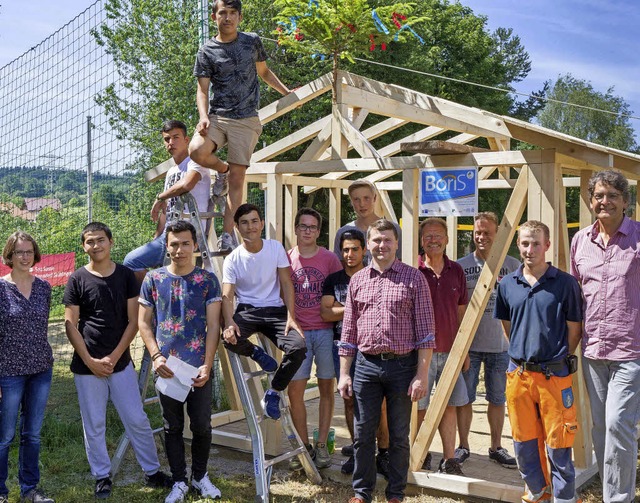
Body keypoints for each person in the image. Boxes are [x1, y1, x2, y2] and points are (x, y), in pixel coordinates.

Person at [64, 222, 170, 500]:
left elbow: (134, 321)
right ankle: (102, 476)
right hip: (87, 366)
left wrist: (114, 356)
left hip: (120, 362)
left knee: (136, 418)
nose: (95, 245)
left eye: (100, 240)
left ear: (110, 242)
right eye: (89, 241)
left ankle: (153, 471)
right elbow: (70, 324)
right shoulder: (77, 278)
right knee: (94, 424)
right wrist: (89, 360)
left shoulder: (125, 276)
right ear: (84, 246)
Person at [338, 219, 435, 503]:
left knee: (399, 435)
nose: (382, 246)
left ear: (396, 244)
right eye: (377, 240)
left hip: (402, 367)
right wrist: (345, 373)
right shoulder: (357, 280)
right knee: (362, 433)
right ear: (369, 244)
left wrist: (421, 374)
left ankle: (395, 494)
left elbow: (426, 334)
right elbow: (348, 332)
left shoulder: (414, 278)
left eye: (387, 240)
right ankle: (362, 493)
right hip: (366, 367)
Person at [189, 0, 291, 253]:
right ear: (214, 17)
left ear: (239, 17)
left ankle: (226, 235)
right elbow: (202, 90)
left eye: (233, 13)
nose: (228, 17)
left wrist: (286, 92)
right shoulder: (207, 51)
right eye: (223, 13)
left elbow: (264, 72)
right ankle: (220, 171)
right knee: (197, 151)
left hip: (246, 119)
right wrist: (203, 116)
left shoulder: (251, 41)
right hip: (218, 116)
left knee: (238, 179)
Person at [495, 220, 583, 503]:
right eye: (524, 243)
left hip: (554, 376)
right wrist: (524, 352)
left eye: (535, 243)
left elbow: (574, 329)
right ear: (518, 246)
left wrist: (555, 356)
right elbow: (508, 325)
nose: (530, 249)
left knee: (559, 445)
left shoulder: (566, 283)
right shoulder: (507, 284)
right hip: (518, 375)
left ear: (547, 245)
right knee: (524, 443)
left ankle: (564, 498)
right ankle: (536, 494)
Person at [138, 220, 222, 503]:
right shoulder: (153, 279)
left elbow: (214, 326)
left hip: (199, 367)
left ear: (195, 246)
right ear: (167, 246)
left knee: (202, 425)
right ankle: (178, 481)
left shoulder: (208, 280)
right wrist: (156, 355)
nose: (180, 249)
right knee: (171, 426)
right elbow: (143, 323)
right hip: (167, 368)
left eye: (185, 243)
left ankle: (199, 477)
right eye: (174, 244)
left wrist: (208, 365)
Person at [570, 169, 640, 503]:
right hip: (593, 349)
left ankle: (618, 498)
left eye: (612, 196)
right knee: (600, 427)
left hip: (631, 350)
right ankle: (612, 487)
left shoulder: (639, 238)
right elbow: (574, 297)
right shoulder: (580, 241)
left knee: (617, 424)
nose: (604, 201)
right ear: (590, 200)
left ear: (626, 202)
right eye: (598, 195)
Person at [221, 203, 306, 423]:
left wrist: (291, 316)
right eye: (245, 222)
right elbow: (227, 296)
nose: (251, 227)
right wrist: (229, 322)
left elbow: (287, 283)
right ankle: (258, 354)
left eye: (254, 221)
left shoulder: (275, 247)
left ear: (261, 224)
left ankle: (274, 392)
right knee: (229, 339)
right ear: (238, 228)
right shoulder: (232, 259)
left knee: (298, 348)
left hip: (275, 310)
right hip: (247, 310)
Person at [320, 229, 390, 477]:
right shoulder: (333, 280)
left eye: (355, 249)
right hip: (342, 346)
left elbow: (378, 310)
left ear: (364, 250)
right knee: (349, 401)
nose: (350, 254)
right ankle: (361, 453)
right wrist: (355, 307)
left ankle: (384, 453)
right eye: (346, 249)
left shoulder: (375, 275)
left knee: (379, 404)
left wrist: (341, 307)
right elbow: (326, 313)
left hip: (371, 348)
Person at [455, 212, 518, 468]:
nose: (481, 237)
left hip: (501, 347)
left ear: (497, 235)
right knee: (464, 398)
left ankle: (496, 447)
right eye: (477, 232)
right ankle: (463, 446)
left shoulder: (512, 265)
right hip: (470, 346)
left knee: (497, 398)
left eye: (487, 233)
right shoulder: (460, 266)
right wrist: (460, 346)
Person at [0, 232, 54, 503]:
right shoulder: (0, 288)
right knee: (5, 436)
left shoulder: (44, 287)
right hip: (9, 372)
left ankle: (30, 490)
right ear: (9, 255)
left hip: (41, 370)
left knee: (31, 435)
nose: (24, 257)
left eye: (29, 251)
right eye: (19, 252)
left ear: (35, 254)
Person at [287, 208, 342, 470]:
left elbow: (341, 291)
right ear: (295, 229)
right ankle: (302, 446)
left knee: (325, 389)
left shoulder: (330, 259)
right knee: (295, 390)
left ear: (319, 232)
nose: (307, 231)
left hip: (324, 331)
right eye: (303, 226)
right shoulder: (286, 259)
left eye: (312, 227)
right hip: (297, 333)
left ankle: (321, 444)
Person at [124, 120, 211, 284]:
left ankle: (152, 297)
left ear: (186, 140)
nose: (171, 142)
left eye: (175, 137)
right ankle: (154, 295)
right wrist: (157, 238)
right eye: (166, 139)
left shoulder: (196, 162)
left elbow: (186, 184)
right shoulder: (171, 171)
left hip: (189, 234)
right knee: (132, 262)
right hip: (167, 236)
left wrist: (160, 197)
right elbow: (166, 210)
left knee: (131, 260)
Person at [416, 218, 469, 475]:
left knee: (449, 405)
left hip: (450, 351)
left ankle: (449, 459)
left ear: (447, 239)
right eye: (428, 236)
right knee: (419, 406)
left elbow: (462, 314)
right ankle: (421, 453)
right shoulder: (412, 270)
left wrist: (464, 350)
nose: (433, 240)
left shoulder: (456, 270)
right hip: (419, 353)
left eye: (438, 235)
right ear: (421, 240)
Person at [333, 180, 402, 265]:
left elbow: (400, 262)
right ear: (351, 201)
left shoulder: (393, 229)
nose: (362, 204)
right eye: (356, 199)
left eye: (366, 198)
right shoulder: (343, 232)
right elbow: (340, 266)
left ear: (375, 198)